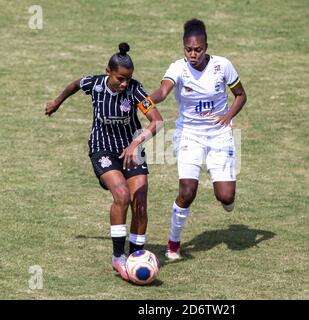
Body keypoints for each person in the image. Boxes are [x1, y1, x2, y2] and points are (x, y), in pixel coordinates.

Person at [45, 42, 164, 280]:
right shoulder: (95, 84)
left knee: (139, 201)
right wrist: (56, 102)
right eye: (120, 78)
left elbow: (157, 121)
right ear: (108, 71)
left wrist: (135, 143)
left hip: (132, 149)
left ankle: (136, 255)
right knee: (121, 196)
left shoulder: (135, 91)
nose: (124, 84)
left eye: (128, 79)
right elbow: (75, 85)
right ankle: (118, 257)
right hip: (102, 150)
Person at [149, 19, 247, 260]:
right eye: (188, 49)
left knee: (226, 196)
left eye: (198, 50)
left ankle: (226, 197)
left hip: (219, 135)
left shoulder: (222, 66)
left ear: (206, 46)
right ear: (184, 47)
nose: (193, 54)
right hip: (189, 135)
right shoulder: (178, 69)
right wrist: (145, 101)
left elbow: (241, 95)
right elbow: (162, 92)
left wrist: (228, 116)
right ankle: (173, 243)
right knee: (187, 191)